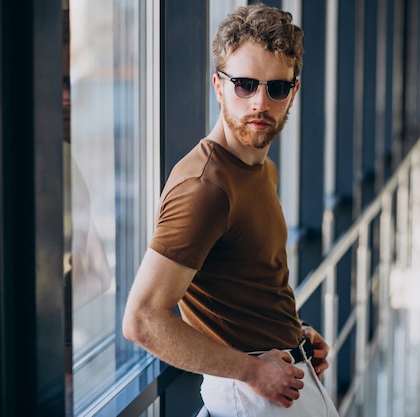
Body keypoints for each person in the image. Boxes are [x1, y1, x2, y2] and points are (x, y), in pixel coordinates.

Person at [122, 4, 340, 416]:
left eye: (276, 88)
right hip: (254, 394)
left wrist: (297, 336)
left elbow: (251, 283)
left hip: (284, 374)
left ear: (293, 91)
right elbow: (142, 320)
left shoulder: (263, 170)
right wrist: (252, 371)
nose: (260, 102)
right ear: (218, 86)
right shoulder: (204, 188)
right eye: (244, 84)